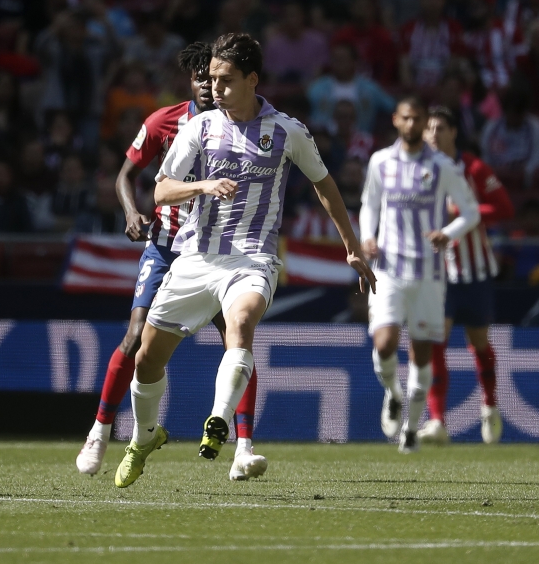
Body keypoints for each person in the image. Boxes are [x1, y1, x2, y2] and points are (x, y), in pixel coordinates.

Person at [113, 33, 375, 488]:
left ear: (252, 79)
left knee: (241, 325)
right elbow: (160, 190)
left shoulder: (287, 131)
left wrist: (351, 245)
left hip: (253, 258)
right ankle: (145, 436)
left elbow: (325, 185)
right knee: (147, 362)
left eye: (226, 79)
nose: (215, 87)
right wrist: (203, 186)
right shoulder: (201, 127)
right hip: (196, 257)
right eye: (212, 78)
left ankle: (218, 420)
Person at [76, 42, 268, 482]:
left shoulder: (243, 125)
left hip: (219, 249)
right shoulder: (163, 121)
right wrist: (130, 211)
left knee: (237, 343)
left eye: (215, 77)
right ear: (191, 81)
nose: (208, 84)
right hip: (166, 245)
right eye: (201, 77)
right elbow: (128, 174)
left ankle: (243, 446)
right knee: (134, 338)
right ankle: (99, 432)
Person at [360, 97, 480, 454]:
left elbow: (470, 213)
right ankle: (393, 394)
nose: (412, 126)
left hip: (428, 273)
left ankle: (412, 427)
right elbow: (370, 204)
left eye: (418, 120)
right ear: (396, 120)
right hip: (389, 269)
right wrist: (368, 234)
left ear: (424, 122)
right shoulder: (381, 161)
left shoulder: (442, 166)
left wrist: (450, 233)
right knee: (383, 343)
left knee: (422, 354)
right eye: (406, 119)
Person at [420, 106, 513, 445]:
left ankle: (489, 405)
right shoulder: (417, 170)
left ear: (454, 132)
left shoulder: (473, 168)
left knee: (478, 342)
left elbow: (504, 208)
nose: (433, 133)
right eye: (429, 128)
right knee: (435, 341)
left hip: (474, 272)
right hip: (437, 273)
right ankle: (438, 421)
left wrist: (461, 211)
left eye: (440, 127)